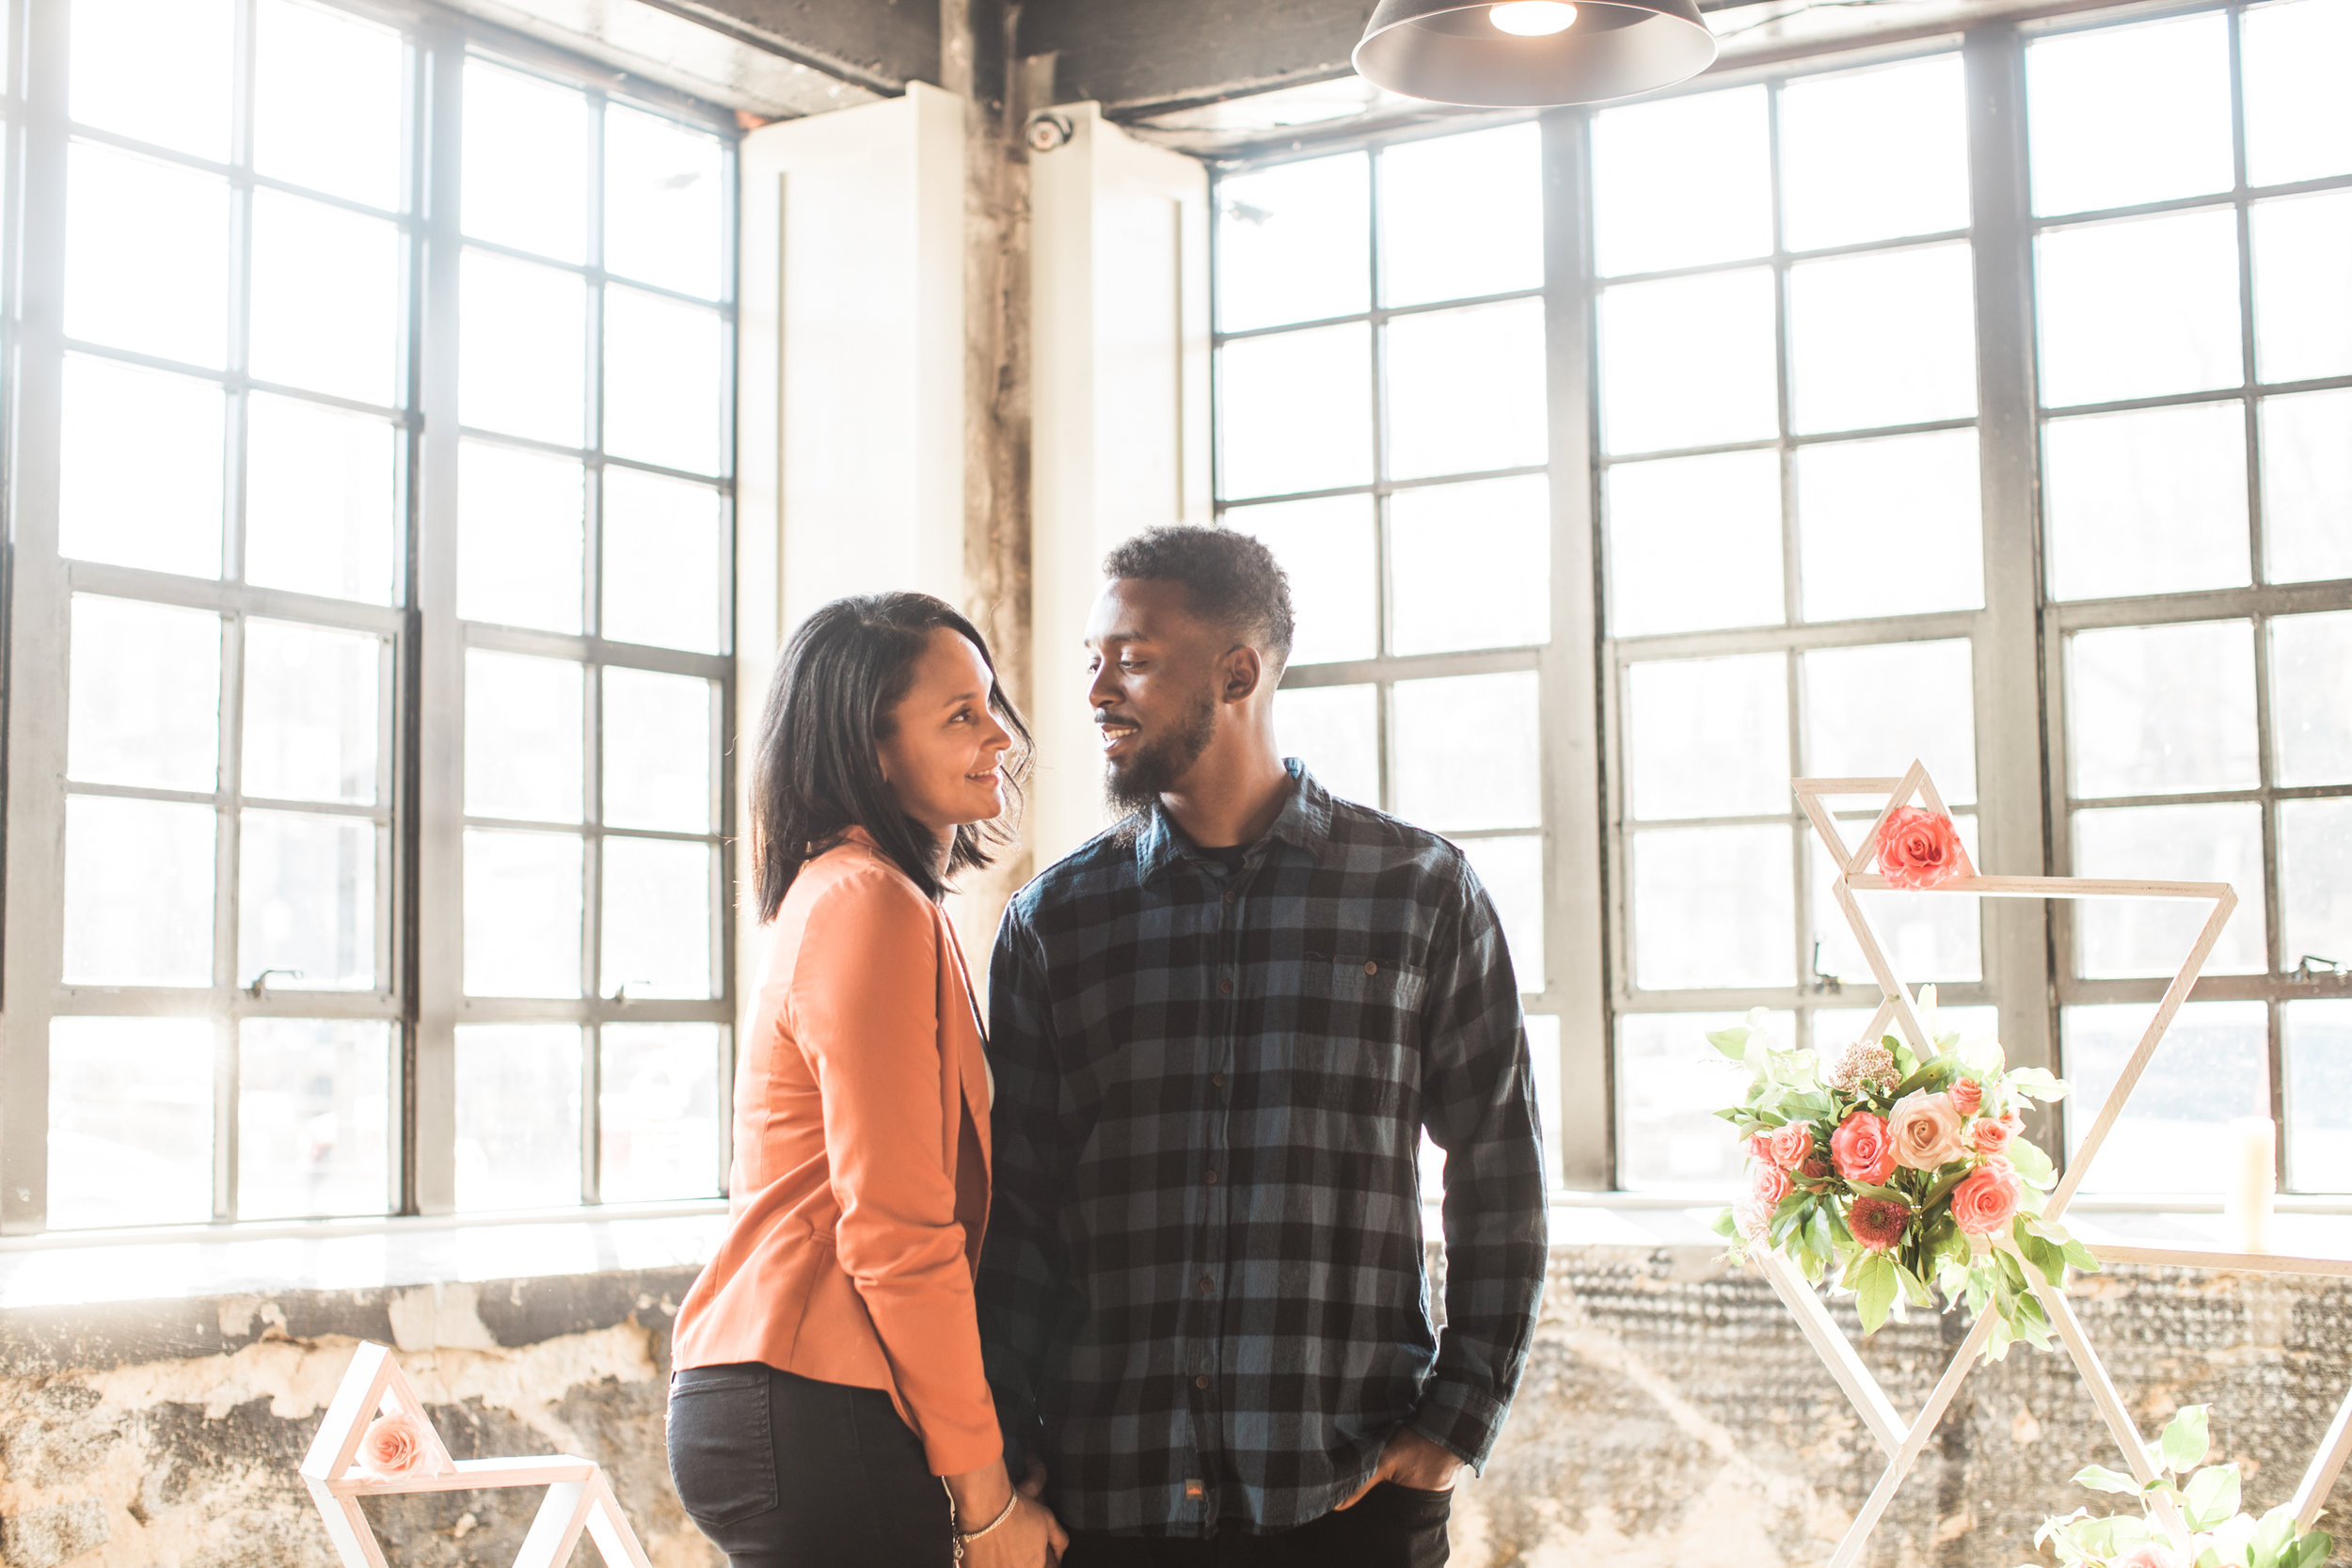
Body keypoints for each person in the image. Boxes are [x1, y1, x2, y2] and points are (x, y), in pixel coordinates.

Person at [977, 528, 1548, 1566]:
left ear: (1237, 670)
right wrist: (1003, 1457)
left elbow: (1500, 1171)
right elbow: (1015, 1215)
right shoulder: (1053, 922)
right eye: (1092, 658)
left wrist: (1452, 1425)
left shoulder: (1420, 892)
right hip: (1110, 1499)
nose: (1098, 688)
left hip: (1347, 1493)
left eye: (1134, 657)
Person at [668, 593, 1068, 1568]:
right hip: (810, 1392)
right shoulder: (867, 903)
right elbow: (894, 1225)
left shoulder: (863, 893)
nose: (999, 736)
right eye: (961, 715)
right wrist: (985, 1503)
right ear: (872, 748)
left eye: (992, 704)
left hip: (791, 1390)